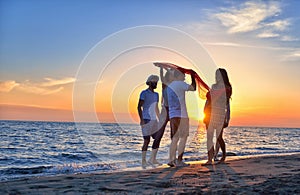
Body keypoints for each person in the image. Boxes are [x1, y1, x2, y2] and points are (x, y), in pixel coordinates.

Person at [167, 69, 196, 167]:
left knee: (174, 138)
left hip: (172, 115)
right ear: (178, 76)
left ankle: (171, 160)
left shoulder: (169, 86)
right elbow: (193, 88)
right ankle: (179, 161)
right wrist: (193, 76)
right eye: (183, 76)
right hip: (182, 115)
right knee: (183, 138)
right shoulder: (180, 84)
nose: (184, 78)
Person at [203, 68, 232, 165]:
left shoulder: (227, 88)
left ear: (223, 76)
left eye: (219, 75)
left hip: (220, 114)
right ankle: (209, 159)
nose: (217, 77)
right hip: (210, 114)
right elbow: (208, 100)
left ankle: (223, 156)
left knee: (219, 137)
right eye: (216, 75)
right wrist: (204, 111)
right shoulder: (213, 86)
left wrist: (228, 117)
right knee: (209, 137)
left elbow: (227, 104)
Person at [147, 66, 173, 165]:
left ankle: (171, 159)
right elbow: (162, 76)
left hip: (173, 110)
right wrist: (163, 68)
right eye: (169, 75)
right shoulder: (164, 85)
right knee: (159, 135)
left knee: (173, 135)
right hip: (165, 110)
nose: (171, 76)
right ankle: (152, 158)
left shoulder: (174, 85)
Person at [137, 75, 160, 168]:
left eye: (157, 82)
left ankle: (153, 159)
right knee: (147, 140)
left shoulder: (156, 95)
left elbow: (156, 108)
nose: (156, 83)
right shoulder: (144, 93)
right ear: (150, 82)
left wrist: (160, 119)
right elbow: (139, 107)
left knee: (157, 138)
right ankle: (143, 161)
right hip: (146, 118)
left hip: (154, 120)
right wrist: (141, 119)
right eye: (154, 82)